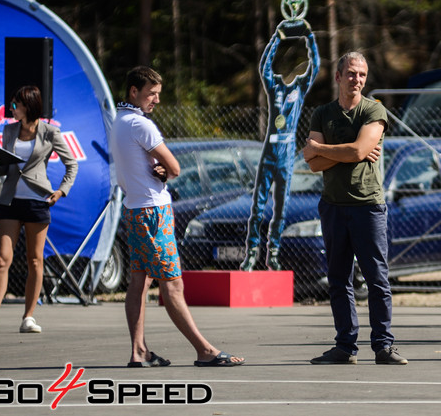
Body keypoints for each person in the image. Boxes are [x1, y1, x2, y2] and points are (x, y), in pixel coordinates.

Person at [111, 66, 244, 367]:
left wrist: (159, 168)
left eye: (158, 94)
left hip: (134, 210)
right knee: (172, 285)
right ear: (134, 91)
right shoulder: (141, 125)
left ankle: (139, 351)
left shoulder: (119, 121)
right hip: (153, 212)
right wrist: (165, 169)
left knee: (138, 281)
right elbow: (175, 168)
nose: (156, 100)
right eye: (151, 94)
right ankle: (204, 350)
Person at [303, 52, 407, 365]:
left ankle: (383, 346)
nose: (356, 79)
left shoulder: (373, 109)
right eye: (350, 73)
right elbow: (311, 164)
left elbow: (357, 148)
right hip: (333, 206)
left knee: (377, 278)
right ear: (337, 76)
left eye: (361, 74)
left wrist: (324, 149)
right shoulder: (323, 113)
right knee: (338, 280)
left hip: (367, 206)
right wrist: (351, 153)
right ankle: (345, 347)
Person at [0, 86, 78, 335]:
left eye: (16, 104)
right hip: (10, 201)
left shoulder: (50, 132)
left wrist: (61, 190)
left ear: (29, 106)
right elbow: (5, 168)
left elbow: (71, 164)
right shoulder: (9, 129)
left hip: (37, 202)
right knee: (1, 259)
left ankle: (29, 317)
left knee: (35, 260)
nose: (12, 108)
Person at [242, 21, 320, 271]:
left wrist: (309, 37)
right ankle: (252, 252)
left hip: (287, 156)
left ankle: (273, 252)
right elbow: (263, 68)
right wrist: (277, 38)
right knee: (258, 206)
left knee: (282, 208)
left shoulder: (299, 87)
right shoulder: (274, 86)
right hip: (269, 154)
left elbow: (315, 67)